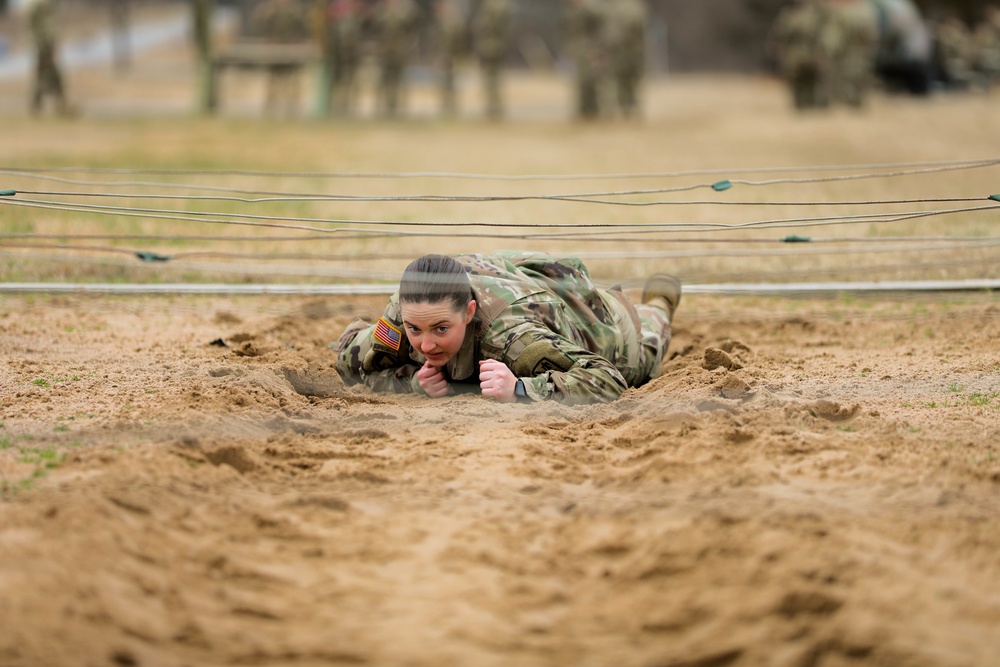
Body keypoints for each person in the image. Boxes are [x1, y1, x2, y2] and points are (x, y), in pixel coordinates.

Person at [333, 251, 680, 405]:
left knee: (645, 342)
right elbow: (348, 356)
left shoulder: (512, 339)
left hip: (606, 329)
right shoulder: (406, 308)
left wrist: (521, 390)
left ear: (469, 313)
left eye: (441, 329)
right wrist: (408, 382)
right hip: (535, 295)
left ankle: (659, 302)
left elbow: (607, 378)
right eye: (415, 330)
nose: (425, 345)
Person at [250, 0, 310, 117]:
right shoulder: (269, 10)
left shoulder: (296, 11)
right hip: (275, 50)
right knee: (273, 80)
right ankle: (271, 106)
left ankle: (293, 107)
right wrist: (267, 40)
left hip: (291, 50)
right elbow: (260, 27)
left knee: (293, 79)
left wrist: (299, 40)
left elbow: (303, 28)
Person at [371, 0, 421, 117]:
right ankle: (382, 107)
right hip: (385, 52)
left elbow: (413, 23)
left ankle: (399, 107)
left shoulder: (405, 12)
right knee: (384, 80)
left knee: (400, 80)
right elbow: (374, 26)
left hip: (400, 52)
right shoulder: (381, 12)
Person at [26, 0, 72, 116]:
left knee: (48, 74)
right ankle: (55, 103)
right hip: (43, 44)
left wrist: (52, 42)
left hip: (47, 43)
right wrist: (43, 44)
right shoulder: (37, 4)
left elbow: (49, 25)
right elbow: (34, 26)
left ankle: (55, 103)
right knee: (48, 74)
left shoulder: (43, 3)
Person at [605, 0, 646, 118]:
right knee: (631, 81)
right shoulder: (637, 7)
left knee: (619, 80)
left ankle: (624, 107)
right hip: (633, 50)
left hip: (621, 51)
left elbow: (612, 33)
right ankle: (631, 107)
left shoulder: (614, 8)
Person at [473, 0, 512, 120]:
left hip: (490, 47)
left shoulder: (494, 8)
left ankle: (493, 108)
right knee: (492, 79)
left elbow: (486, 26)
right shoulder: (501, 7)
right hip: (494, 46)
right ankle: (494, 108)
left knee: (491, 79)